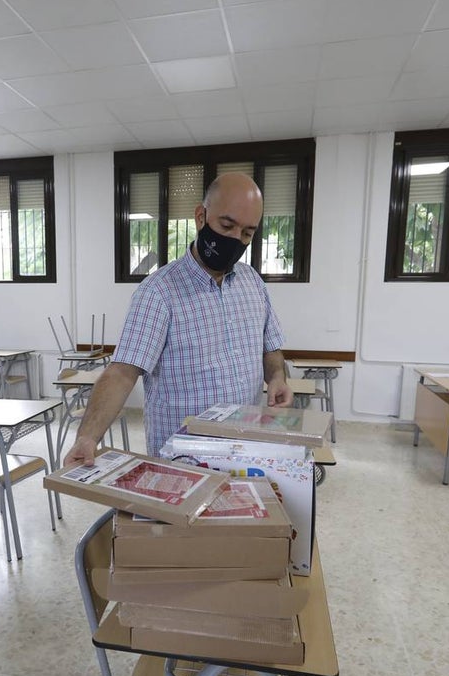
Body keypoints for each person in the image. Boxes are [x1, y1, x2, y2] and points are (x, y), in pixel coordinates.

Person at [65, 171, 293, 466]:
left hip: (243, 447)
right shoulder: (159, 292)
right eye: (226, 225)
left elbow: (270, 346)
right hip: (183, 460)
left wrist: (276, 378)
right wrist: (87, 438)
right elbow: (122, 373)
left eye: (247, 233)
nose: (235, 240)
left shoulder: (253, 283)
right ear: (201, 216)